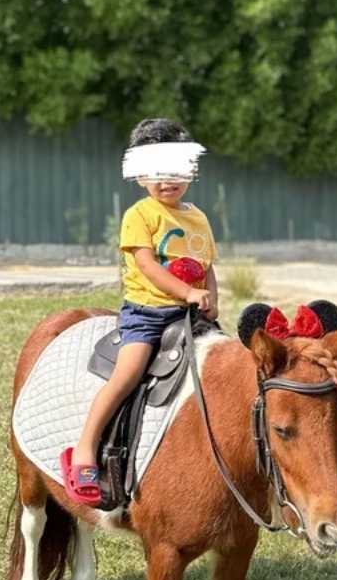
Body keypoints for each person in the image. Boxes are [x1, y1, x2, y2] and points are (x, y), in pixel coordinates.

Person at [61, 117, 219, 506]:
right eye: (156, 172)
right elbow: (147, 264)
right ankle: (85, 448)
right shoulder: (140, 215)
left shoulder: (198, 217)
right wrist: (186, 291)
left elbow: (207, 264)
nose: (167, 181)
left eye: (176, 170)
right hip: (148, 314)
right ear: (139, 174)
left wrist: (211, 297)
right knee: (128, 373)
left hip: (192, 315)